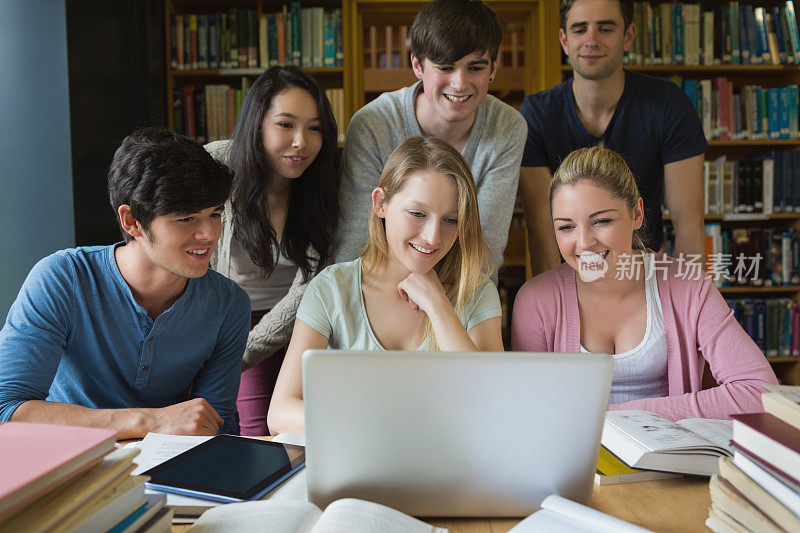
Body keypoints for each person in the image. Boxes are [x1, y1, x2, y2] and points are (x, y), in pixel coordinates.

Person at [0, 128, 250, 437]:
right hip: (68, 460)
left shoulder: (228, 303)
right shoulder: (62, 278)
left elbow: (219, 422)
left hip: (167, 468)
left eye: (214, 214)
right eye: (187, 219)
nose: (210, 234)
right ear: (131, 221)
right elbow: (6, 408)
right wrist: (149, 421)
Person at [511, 144, 778, 421]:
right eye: (566, 226)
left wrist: (614, 416)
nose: (584, 243)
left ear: (637, 214)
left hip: (670, 456)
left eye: (601, 221)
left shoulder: (689, 286)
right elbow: (527, 412)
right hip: (576, 460)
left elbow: (760, 392)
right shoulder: (535, 300)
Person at [268, 136, 504, 434]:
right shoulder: (331, 288)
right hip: (357, 462)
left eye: (451, 220)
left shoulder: (478, 292)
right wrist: (375, 429)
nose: (433, 237)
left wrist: (438, 305)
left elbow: (492, 406)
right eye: (418, 214)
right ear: (381, 204)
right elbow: (280, 412)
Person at [334, 0, 527, 280]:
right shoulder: (373, 123)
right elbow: (354, 246)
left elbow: (486, 248)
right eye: (445, 67)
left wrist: (436, 303)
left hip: (464, 293)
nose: (460, 84)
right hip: (377, 291)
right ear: (417, 65)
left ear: (493, 69)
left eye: (475, 68)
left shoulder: (508, 127)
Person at [519, 0, 708, 275]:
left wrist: (693, 303)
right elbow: (541, 226)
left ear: (628, 36)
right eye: (579, 29)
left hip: (641, 274)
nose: (590, 40)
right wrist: (550, 306)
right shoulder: (536, 114)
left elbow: (688, 220)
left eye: (605, 29)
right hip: (571, 276)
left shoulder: (669, 104)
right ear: (564, 40)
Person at [205, 65, 340, 436]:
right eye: (286, 125)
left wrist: (236, 356)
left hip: (305, 324)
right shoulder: (217, 164)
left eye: (315, 128)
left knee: (312, 436)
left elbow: (312, 286)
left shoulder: (328, 183)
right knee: (254, 437)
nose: (302, 141)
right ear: (257, 124)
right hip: (232, 322)